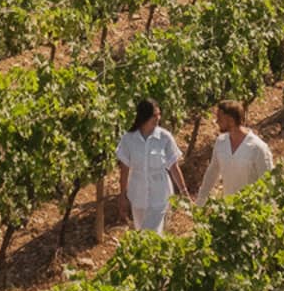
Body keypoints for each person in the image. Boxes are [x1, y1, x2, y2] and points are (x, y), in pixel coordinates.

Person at [115, 99, 189, 234]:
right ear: (144, 116)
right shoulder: (129, 139)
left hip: (160, 196)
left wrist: (184, 192)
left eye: (159, 114)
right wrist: (122, 196)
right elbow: (124, 170)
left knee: (151, 235)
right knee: (141, 232)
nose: (158, 118)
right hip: (138, 196)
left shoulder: (164, 137)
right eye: (154, 115)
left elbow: (173, 167)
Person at [195, 100, 274, 205]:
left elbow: (268, 183)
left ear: (231, 120)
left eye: (220, 118)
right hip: (229, 210)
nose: (216, 121)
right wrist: (200, 201)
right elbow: (212, 172)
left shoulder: (258, 148)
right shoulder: (221, 142)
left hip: (252, 212)